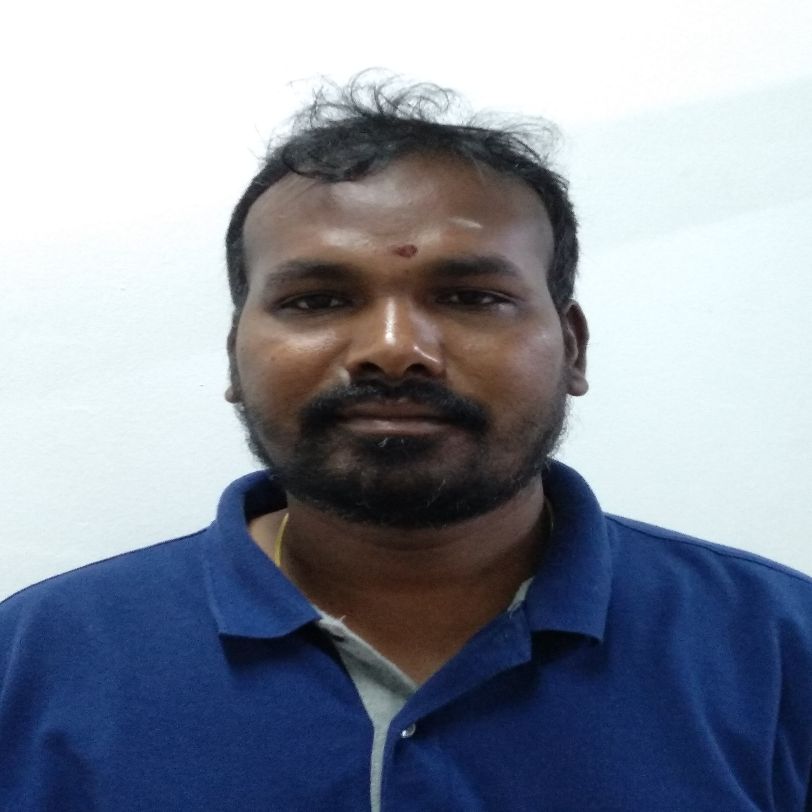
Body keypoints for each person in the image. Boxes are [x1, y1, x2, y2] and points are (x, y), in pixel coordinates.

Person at [1, 77, 810, 812]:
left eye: (471, 297)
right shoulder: (34, 662)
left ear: (573, 348)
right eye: (317, 300)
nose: (393, 349)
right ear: (234, 359)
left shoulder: (780, 651)